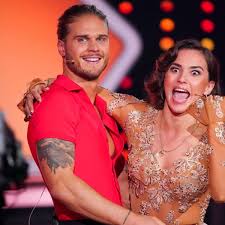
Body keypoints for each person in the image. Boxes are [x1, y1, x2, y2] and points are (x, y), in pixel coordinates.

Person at [18, 37, 225, 225]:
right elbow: (81, 88)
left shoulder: (213, 134)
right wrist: (41, 85)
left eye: (195, 72)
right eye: (175, 69)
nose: (182, 79)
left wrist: (217, 124)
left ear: (208, 87)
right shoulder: (136, 116)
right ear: (165, 78)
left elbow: (221, 193)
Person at [17, 4, 165, 225]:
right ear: (62, 47)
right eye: (82, 39)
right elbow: (63, 186)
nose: (94, 48)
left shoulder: (103, 106)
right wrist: (132, 221)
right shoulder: (56, 102)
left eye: (101, 38)